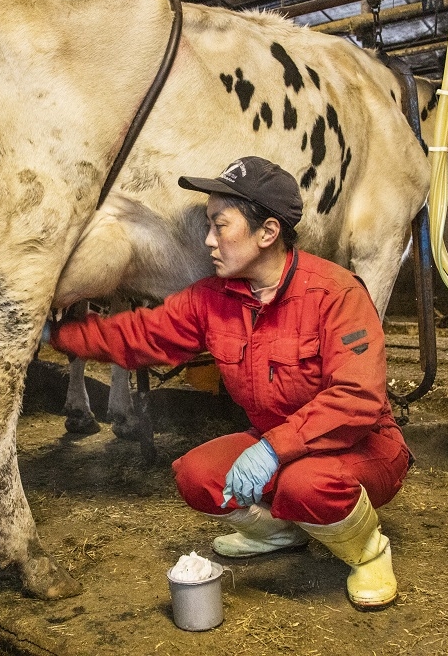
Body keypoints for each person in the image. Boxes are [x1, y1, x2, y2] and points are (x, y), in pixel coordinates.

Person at [48, 155, 411, 609]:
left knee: (304, 484)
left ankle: (369, 552)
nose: (209, 240)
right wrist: (58, 334)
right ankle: (280, 534)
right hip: (275, 441)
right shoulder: (213, 300)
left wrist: (274, 449)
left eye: (221, 225)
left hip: (362, 446)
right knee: (195, 476)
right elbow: (140, 335)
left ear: (267, 233)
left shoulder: (336, 293)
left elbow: (357, 399)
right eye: (208, 224)